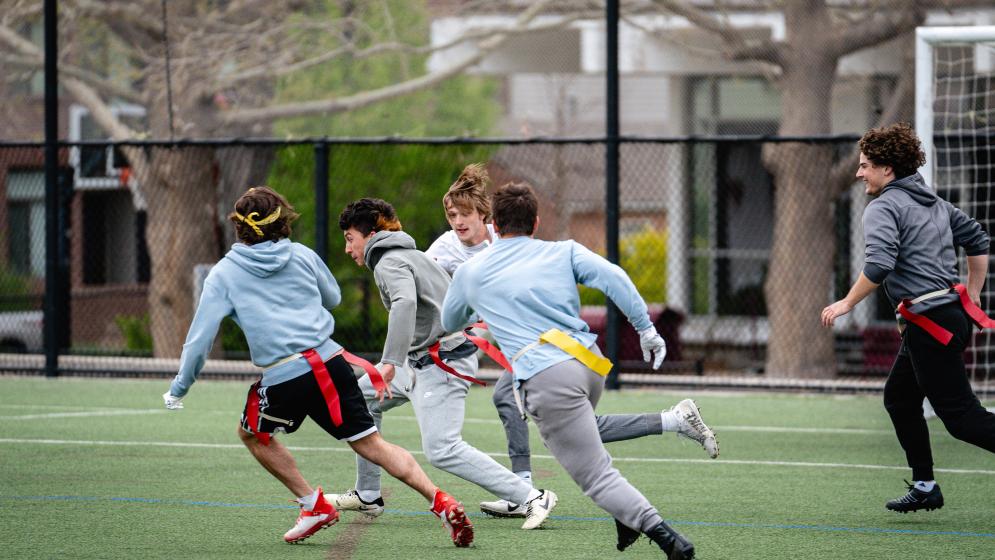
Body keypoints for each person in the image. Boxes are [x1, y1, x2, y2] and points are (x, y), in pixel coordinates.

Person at [162, 186, 473, 547]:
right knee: (372, 444)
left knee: (252, 434)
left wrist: (180, 386)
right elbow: (333, 298)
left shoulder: (223, 275)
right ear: (283, 222)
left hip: (285, 376)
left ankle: (313, 505)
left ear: (239, 228)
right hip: (332, 364)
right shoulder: (302, 255)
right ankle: (441, 500)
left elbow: (200, 341)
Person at [427, 164, 719, 518]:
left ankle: (525, 490)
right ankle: (673, 420)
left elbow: (469, 309)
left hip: (547, 353)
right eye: (451, 215)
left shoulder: (505, 240)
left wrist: (645, 326)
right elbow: (438, 303)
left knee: (513, 398)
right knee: (579, 426)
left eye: (464, 214)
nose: (457, 222)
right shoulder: (444, 249)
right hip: (551, 356)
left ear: (489, 219)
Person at [333, 197, 558, 530]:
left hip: (441, 363)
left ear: (369, 234)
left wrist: (389, 362)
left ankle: (531, 496)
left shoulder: (387, 261)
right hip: (421, 362)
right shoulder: (405, 254)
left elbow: (404, 302)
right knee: (361, 398)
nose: (348, 248)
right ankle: (368, 493)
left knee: (441, 448)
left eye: (350, 238)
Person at [821, 123, 995, 513]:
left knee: (962, 420)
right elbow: (978, 240)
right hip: (942, 319)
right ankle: (925, 485)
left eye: (865, 165)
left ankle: (925, 483)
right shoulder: (935, 203)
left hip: (931, 325)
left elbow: (879, 263)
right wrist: (974, 295)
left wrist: (847, 303)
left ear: (888, 170)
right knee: (899, 398)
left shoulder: (882, 207)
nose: (858, 172)